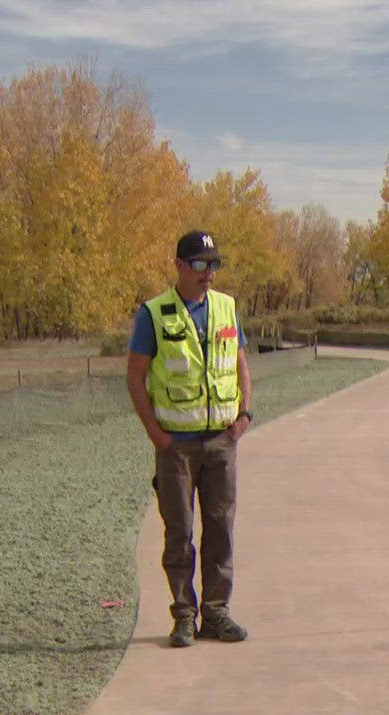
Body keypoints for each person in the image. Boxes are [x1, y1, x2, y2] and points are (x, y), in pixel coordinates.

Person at [126, 230, 254, 647]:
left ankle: (217, 613)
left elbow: (240, 365)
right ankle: (184, 615)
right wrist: (156, 435)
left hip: (220, 441)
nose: (209, 274)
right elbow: (135, 376)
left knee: (220, 528)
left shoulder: (226, 308)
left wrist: (244, 415)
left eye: (214, 264)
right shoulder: (154, 314)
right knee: (179, 531)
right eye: (200, 265)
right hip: (175, 447)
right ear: (179, 266)